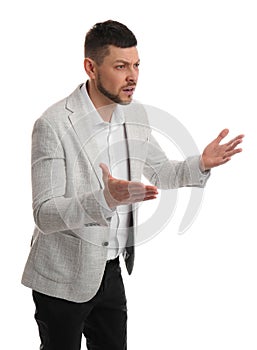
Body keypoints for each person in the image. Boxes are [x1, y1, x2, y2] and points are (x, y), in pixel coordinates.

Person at [21, 20, 244, 350]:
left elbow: (159, 172)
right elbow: (45, 214)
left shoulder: (135, 114)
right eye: (121, 66)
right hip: (61, 277)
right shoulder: (53, 124)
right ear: (91, 68)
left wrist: (200, 163)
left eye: (137, 65)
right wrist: (105, 199)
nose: (133, 76)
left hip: (110, 272)